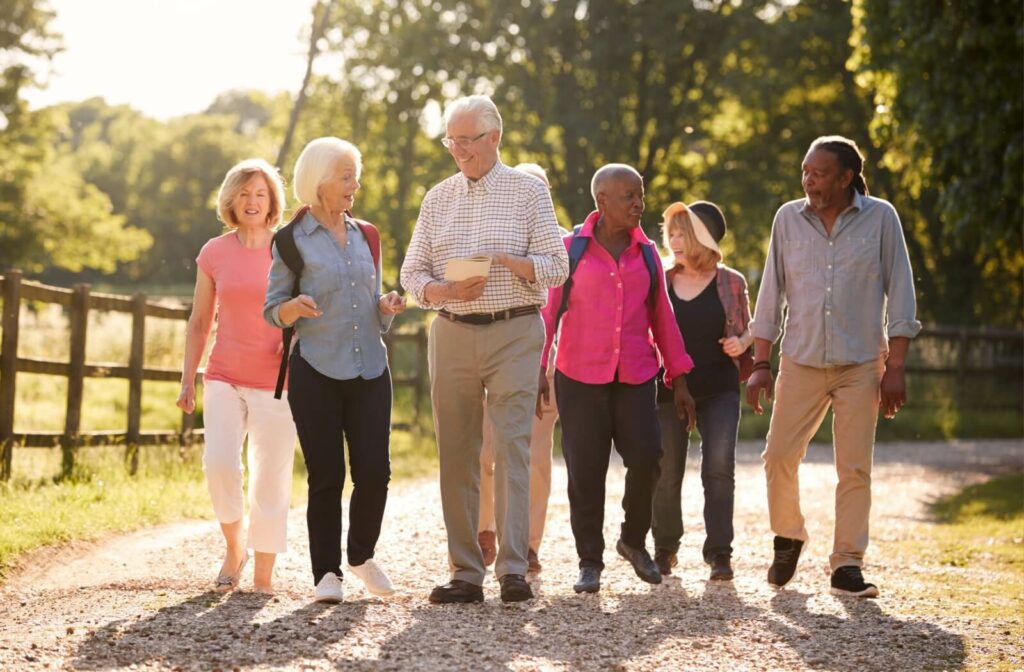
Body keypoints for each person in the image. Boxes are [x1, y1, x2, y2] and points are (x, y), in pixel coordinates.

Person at [400, 95, 569, 604]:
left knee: (514, 445)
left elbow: (557, 267)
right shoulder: (437, 198)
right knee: (456, 452)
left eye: (466, 139)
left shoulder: (527, 193)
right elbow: (412, 275)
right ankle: (465, 572)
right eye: (451, 139)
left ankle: (514, 569)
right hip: (451, 329)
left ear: (494, 138)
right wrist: (445, 292)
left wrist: (506, 261)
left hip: (515, 330)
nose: (457, 149)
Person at [747, 135, 921, 598]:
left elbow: (902, 291)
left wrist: (896, 367)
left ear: (846, 178)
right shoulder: (787, 218)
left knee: (854, 467)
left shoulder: (881, 217)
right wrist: (761, 361)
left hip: (862, 361)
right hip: (800, 359)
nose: (808, 180)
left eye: (819, 173)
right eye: (805, 171)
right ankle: (788, 536)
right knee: (779, 455)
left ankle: (847, 564)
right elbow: (771, 294)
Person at [540, 163, 696, 595]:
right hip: (579, 375)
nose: (638, 203)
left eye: (640, 194)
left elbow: (662, 317)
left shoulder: (646, 253)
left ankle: (632, 539)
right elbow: (548, 315)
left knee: (648, 456)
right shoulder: (570, 250)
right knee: (585, 471)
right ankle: (590, 561)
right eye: (629, 196)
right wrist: (539, 367)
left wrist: (679, 377)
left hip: (635, 373)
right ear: (601, 201)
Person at [263, 137, 407, 603]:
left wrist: (385, 306)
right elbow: (271, 309)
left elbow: (370, 301)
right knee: (325, 476)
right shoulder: (289, 239)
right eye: (346, 175)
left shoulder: (368, 234)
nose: (355, 184)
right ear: (320, 180)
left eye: (355, 174)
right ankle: (327, 574)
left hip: (370, 368)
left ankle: (361, 555)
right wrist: (293, 308)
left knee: (375, 472)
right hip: (316, 370)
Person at [177, 158, 298, 594]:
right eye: (245, 193)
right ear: (231, 198)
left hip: (279, 380)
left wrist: (296, 336)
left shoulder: (290, 248)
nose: (252, 201)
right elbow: (199, 321)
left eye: (261, 194)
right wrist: (188, 378)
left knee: (272, 476)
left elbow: (309, 307)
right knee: (220, 465)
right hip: (224, 375)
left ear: (272, 202)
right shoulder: (214, 252)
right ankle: (234, 548)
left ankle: (264, 575)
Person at [650, 200, 751, 582]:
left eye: (682, 233)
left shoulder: (731, 282)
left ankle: (719, 553)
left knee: (719, 468)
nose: (673, 240)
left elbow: (747, 329)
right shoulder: (660, 278)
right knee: (666, 471)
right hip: (668, 388)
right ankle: (665, 550)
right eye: (670, 233)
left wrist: (742, 343)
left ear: (701, 239)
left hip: (719, 388)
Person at [477, 162, 562, 576]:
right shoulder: (492, 238)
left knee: (535, 458)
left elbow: (567, 314)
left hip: (546, 370)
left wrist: (552, 365)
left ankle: (527, 544)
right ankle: (484, 528)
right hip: (494, 362)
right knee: (486, 451)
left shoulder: (561, 248)